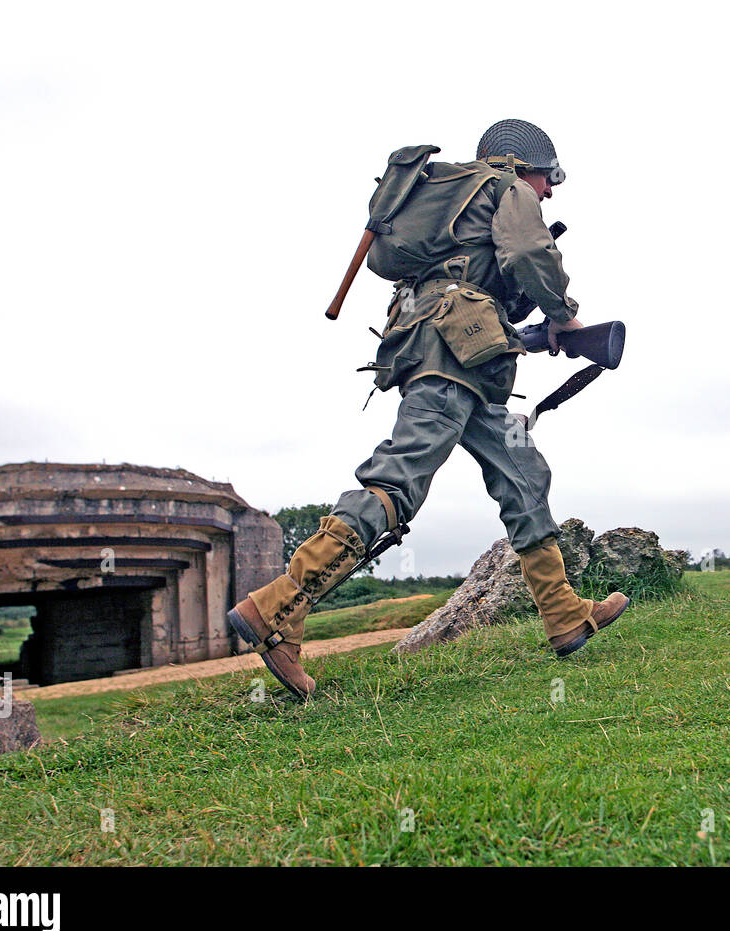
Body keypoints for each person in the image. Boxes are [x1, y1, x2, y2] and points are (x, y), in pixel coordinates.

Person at [227, 119, 629, 700]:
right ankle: (276, 606)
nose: (550, 192)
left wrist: (534, 332)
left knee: (524, 473)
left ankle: (563, 614)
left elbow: (480, 282)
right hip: (450, 357)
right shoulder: (504, 186)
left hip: (463, 358)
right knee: (402, 475)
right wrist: (565, 316)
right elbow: (528, 251)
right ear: (525, 163)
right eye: (550, 177)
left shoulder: (456, 208)